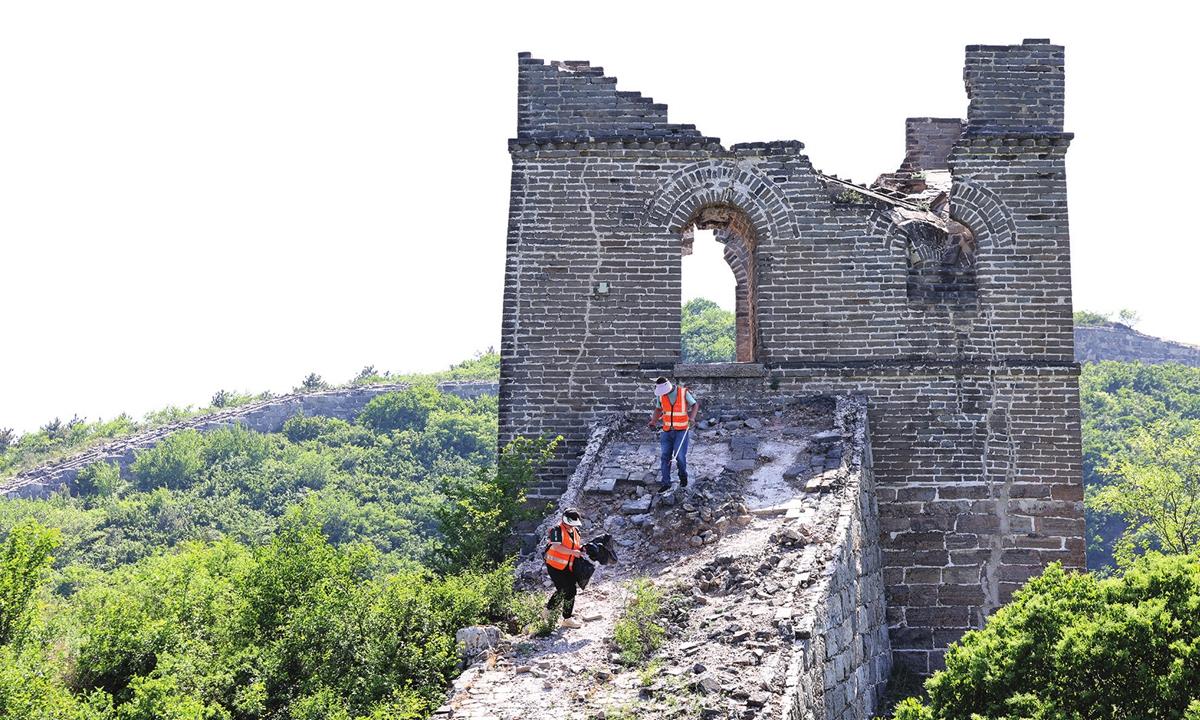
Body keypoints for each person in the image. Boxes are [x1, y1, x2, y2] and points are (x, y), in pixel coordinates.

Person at [648, 376, 698, 492]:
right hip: (667, 430)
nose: (663, 394)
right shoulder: (660, 395)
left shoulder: (682, 393)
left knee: (680, 456)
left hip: (682, 430)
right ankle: (666, 483)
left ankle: (683, 476)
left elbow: (695, 404)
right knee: (665, 456)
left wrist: (692, 418)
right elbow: (658, 409)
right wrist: (654, 421)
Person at [542, 507, 586, 628]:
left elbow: (575, 546)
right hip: (555, 566)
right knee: (563, 590)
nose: (571, 526)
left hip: (569, 567)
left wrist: (582, 549)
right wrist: (573, 553)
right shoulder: (557, 530)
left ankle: (567, 619)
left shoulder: (575, 531)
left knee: (572, 591)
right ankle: (548, 610)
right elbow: (557, 547)